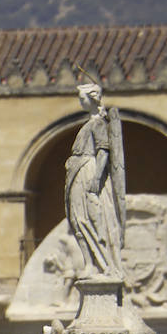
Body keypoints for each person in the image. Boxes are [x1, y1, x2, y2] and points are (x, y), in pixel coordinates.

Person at [65, 82, 126, 279]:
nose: (80, 101)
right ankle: (89, 263)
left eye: (82, 97)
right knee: (76, 219)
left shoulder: (98, 123)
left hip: (87, 170)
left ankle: (102, 263)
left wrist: (96, 177)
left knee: (87, 217)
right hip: (77, 171)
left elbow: (103, 151)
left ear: (91, 98)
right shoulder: (89, 123)